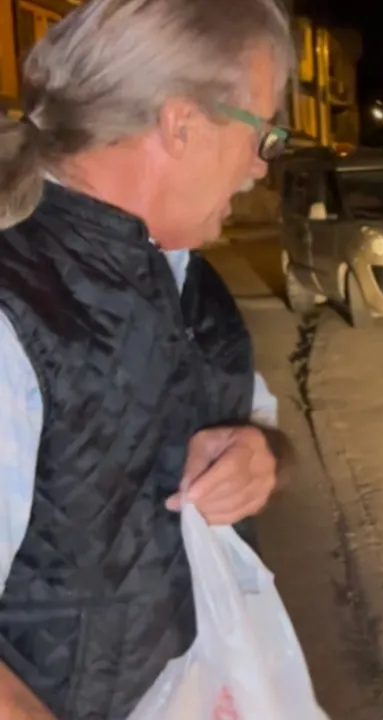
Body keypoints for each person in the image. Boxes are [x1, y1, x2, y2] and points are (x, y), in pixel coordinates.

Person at [0, 0, 296, 717]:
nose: (261, 165)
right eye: (264, 132)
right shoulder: (16, 305)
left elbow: (261, 428)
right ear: (181, 123)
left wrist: (262, 458)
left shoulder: (192, 282)